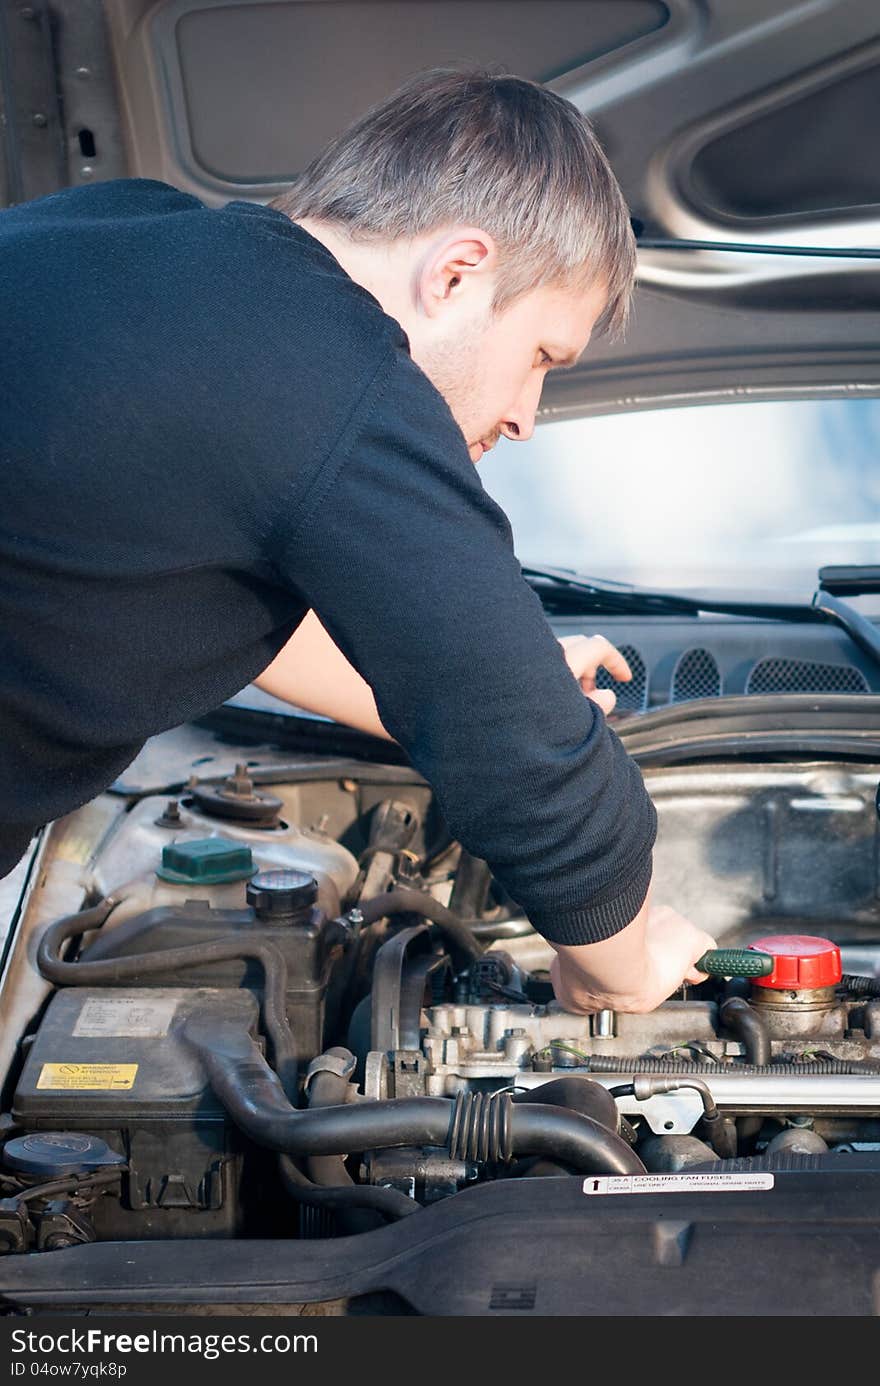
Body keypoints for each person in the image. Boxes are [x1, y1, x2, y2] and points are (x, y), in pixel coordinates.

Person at [0, 67, 715, 1013]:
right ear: (456, 273)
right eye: (543, 356)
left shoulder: (121, 231)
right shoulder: (339, 381)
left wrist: (452, 670)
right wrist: (620, 961)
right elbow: (525, 753)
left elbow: (220, 595)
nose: (528, 415)